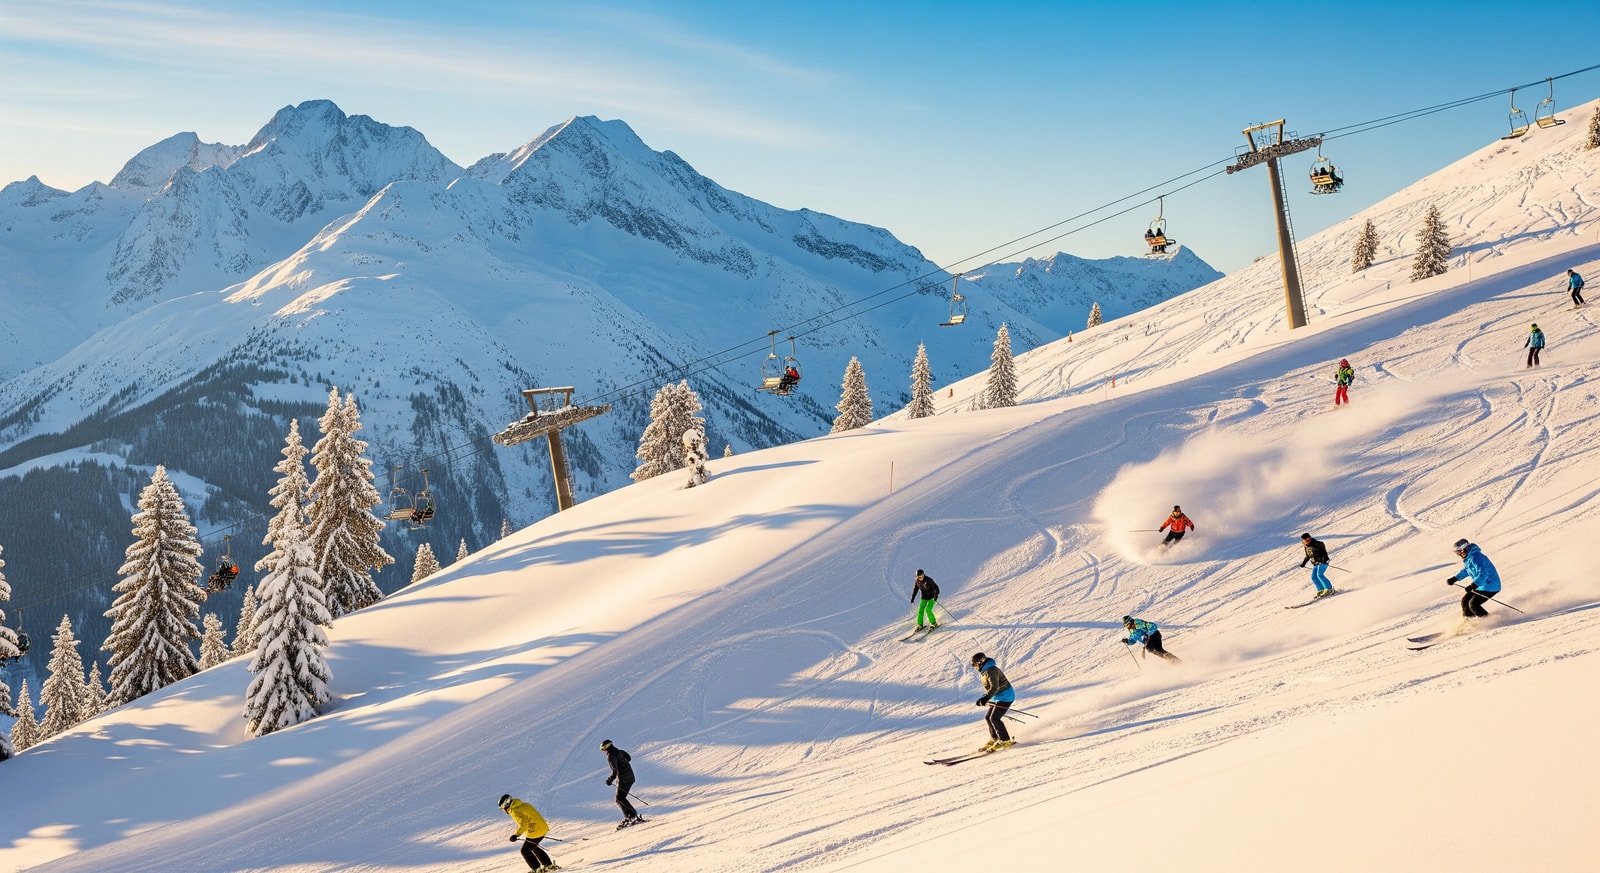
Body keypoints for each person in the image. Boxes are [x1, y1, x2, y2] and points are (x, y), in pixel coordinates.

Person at [498, 794, 559, 872]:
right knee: (533, 847)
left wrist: (516, 835)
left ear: (506, 805)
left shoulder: (514, 811)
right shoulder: (525, 805)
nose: (504, 811)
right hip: (543, 828)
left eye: (503, 809)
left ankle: (537, 869)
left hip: (535, 831)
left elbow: (524, 824)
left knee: (524, 851)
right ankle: (548, 865)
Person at [970, 651, 1016, 752]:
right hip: (998, 697)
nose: (975, 668)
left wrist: (986, 698)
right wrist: (984, 698)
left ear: (980, 663)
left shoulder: (991, 670)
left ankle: (1005, 740)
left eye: (975, 665)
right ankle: (995, 738)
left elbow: (995, 687)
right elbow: (991, 688)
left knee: (994, 718)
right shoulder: (985, 671)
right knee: (988, 717)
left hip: (1006, 696)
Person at [1447, 538, 1501, 619]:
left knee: (1473, 604)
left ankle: (1488, 620)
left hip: (1490, 586)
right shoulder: (1469, 557)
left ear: (1464, 549)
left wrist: (1473, 585)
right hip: (1481, 585)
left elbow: (1483, 573)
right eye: (1457, 553)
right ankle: (1469, 621)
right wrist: (1455, 578)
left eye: (1459, 552)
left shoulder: (1476, 558)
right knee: (1465, 601)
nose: (1459, 555)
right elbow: (1466, 570)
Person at [601, 739, 642, 829]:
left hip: (624, 779)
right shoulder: (619, 751)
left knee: (619, 798)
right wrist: (623, 764)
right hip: (630, 777)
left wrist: (610, 780)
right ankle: (632, 816)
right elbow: (629, 758)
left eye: (603, 749)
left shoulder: (611, 755)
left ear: (606, 748)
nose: (603, 751)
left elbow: (615, 770)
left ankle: (630, 817)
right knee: (621, 798)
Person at [1299, 533, 1334, 597]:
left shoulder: (1318, 544)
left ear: (1309, 538)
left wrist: (1323, 559)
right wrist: (1303, 563)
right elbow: (1307, 556)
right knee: (1314, 577)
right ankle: (1321, 590)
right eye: (1304, 540)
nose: (1306, 541)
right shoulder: (1306, 547)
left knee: (1319, 575)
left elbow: (1324, 553)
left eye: (1307, 539)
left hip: (1323, 562)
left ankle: (1329, 589)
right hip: (1315, 563)